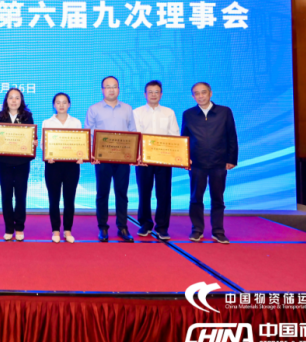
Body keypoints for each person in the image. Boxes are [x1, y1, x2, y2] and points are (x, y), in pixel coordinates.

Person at [181, 82, 238, 244]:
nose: (200, 96)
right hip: (196, 163)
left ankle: (218, 231)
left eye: (203, 92)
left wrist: (231, 159)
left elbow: (232, 136)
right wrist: (184, 159)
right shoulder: (188, 114)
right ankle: (197, 230)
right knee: (195, 198)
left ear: (210, 93)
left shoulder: (224, 112)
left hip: (218, 162)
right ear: (193, 96)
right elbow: (184, 138)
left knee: (218, 198)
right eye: (196, 93)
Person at [85, 76, 137, 243]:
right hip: (102, 159)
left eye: (114, 86)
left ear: (119, 89)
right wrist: (92, 154)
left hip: (123, 159)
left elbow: (133, 132)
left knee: (122, 193)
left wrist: (134, 154)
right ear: (102, 90)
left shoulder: (127, 109)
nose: (111, 89)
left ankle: (123, 227)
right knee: (102, 193)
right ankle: (103, 227)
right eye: (108, 87)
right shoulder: (94, 109)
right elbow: (88, 133)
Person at [133, 80, 180, 241]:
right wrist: (138, 156)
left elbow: (175, 135)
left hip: (164, 159)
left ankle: (162, 227)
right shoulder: (137, 112)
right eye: (150, 92)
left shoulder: (169, 112)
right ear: (145, 94)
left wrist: (173, 156)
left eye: (156, 92)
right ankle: (145, 223)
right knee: (144, 192)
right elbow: (136, 135)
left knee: (164, 193)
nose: (153, 95)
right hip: (143, 159)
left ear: (161, 94)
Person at [0, 88, 37, 241]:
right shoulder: (0, 116)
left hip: (22, 162)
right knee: (6, 195)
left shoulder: (27, 116)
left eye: (17, 98)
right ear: (6, 100)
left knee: (20, 195)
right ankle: (9, 228)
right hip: (4, 162)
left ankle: (19, 227)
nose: (13, 100)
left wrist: (34, 142)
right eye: (11, 97)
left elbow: (32, 137)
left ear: (21, 100)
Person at [42, 93, 83, 243]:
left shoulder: (76, 122)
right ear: (54, 105)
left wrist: (81, 155)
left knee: (69, 199)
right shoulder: (47, 122)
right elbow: (43, 144)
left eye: (64, 102)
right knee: (54, 199)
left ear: (69, 104)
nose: (61, 105)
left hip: (72, 166)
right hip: (53, 165)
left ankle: (67, 230)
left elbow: (81, 142)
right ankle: (55, 230)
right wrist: (47, 155)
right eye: (58, 102)